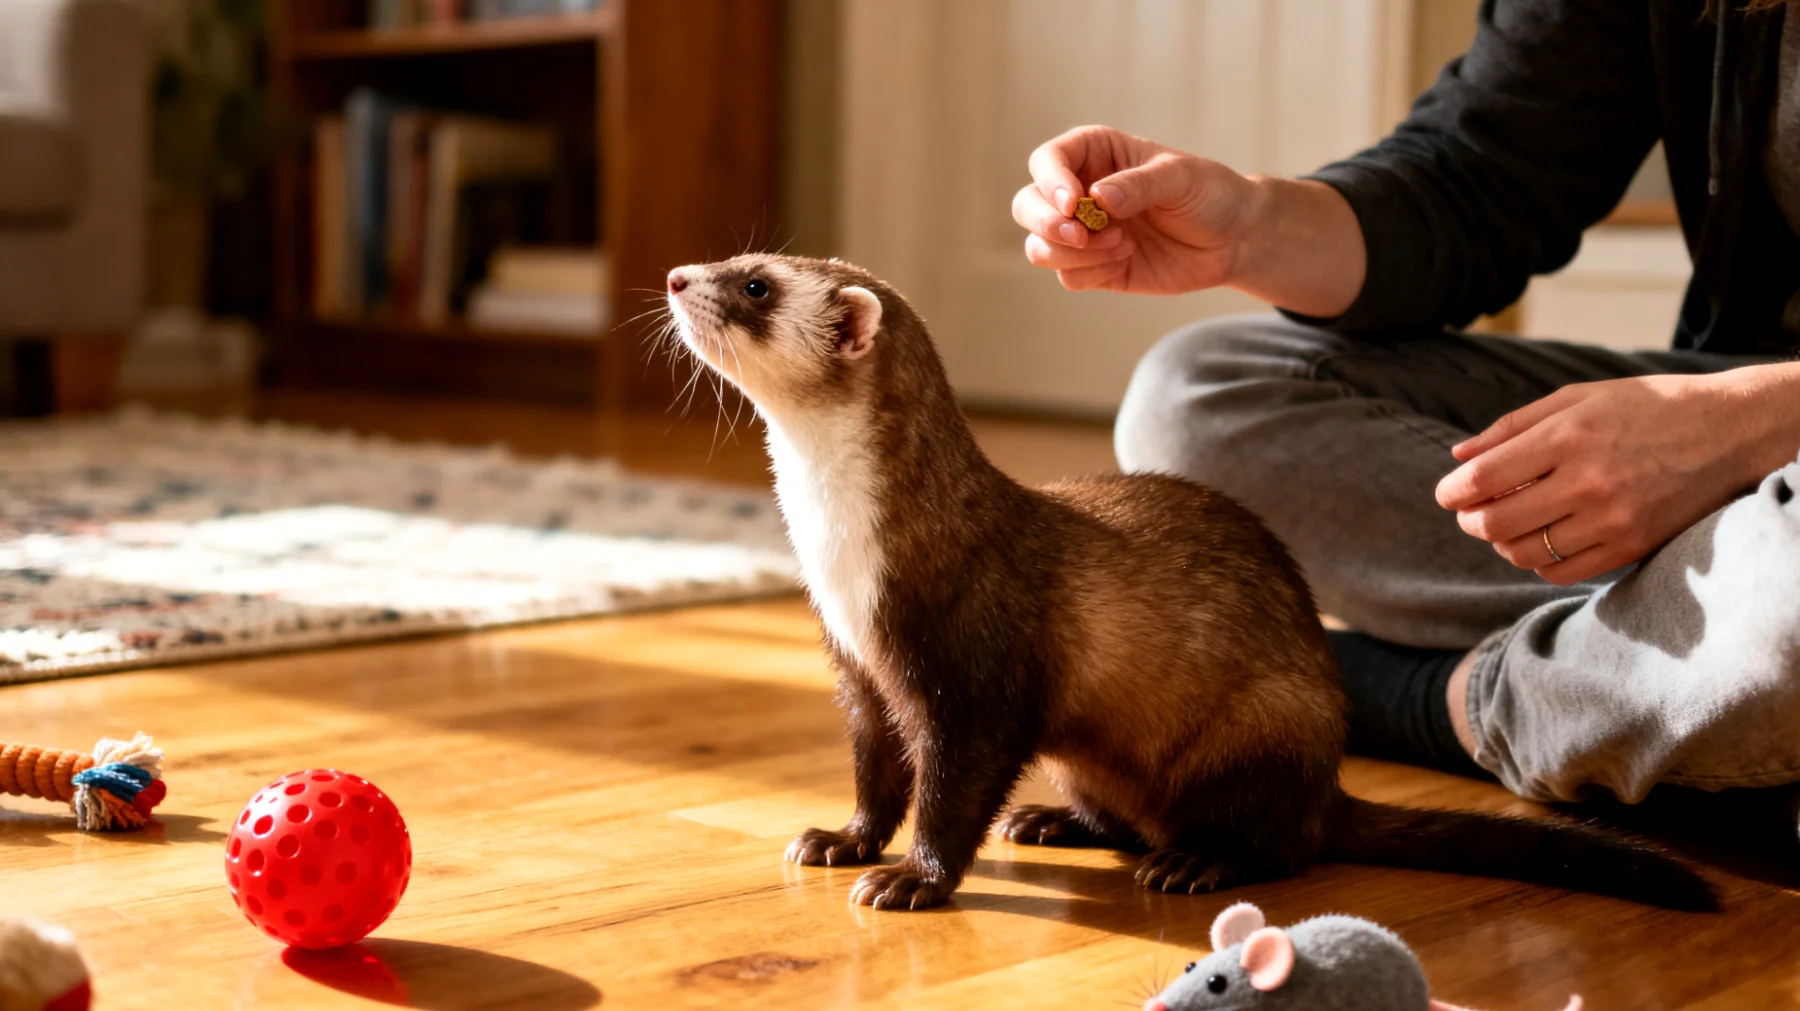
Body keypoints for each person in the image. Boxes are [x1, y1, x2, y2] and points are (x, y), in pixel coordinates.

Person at [1014, 0, 1800, 811]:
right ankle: (1694, 688)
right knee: (1193, 398)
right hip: (1734, 397)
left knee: (1787, 601)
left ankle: (1432, 701)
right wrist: (1250, 226)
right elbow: (1481, 171)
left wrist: (1741, 426)